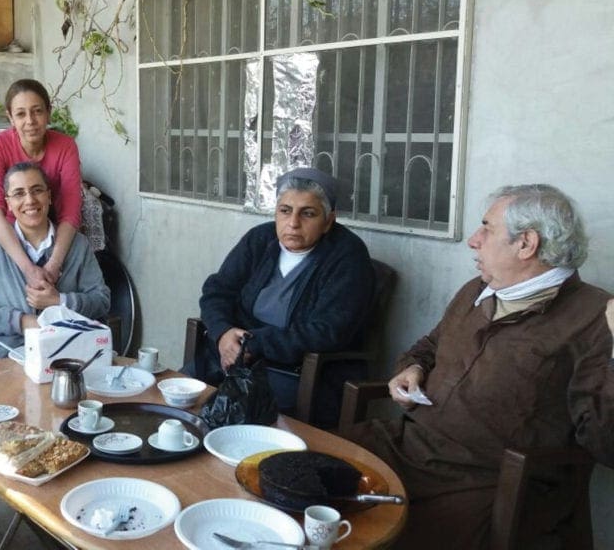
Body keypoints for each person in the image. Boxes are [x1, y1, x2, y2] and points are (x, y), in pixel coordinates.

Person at [345, 185, 613, 549]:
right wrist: (412, 369)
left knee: (388, 535)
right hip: (407, 445)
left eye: (486, 228)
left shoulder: (594, 319)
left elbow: (605, 444)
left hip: (487, 479)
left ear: (526, 244)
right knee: (304, 473)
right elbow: (429, 346)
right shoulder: (478, 289)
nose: (474, 240)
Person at [191, 167, 376, 426]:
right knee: (178, 405)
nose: (293, 223)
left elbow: (328, 330)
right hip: (229, 358)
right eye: (285, 210)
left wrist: (254, 344)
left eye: (308, 213)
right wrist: (223, 333)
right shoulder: (260, 239)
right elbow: (217, 291)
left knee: (236, 423)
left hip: (294, 373)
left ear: (329, 221)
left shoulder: (348, 256)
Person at [0, 162, 110, 360]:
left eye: (37, 190)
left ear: (49, 196)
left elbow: (101, 300)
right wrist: (21, 322)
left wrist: (60, 302)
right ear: (8, 204)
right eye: (19, 194)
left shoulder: (77, 245)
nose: (30, 200)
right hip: (5, 359)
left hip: (67, 357)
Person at [0, 78, 83, 289]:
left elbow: (71, 208)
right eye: (20, 114)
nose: (30, 121)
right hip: (6, 229)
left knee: (61, 288)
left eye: (37, 111)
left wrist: (54, 264)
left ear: (48, 112)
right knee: (10, 293)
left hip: (45, 227)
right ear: (10, 117)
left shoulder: (65, 146)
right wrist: (27, 268)